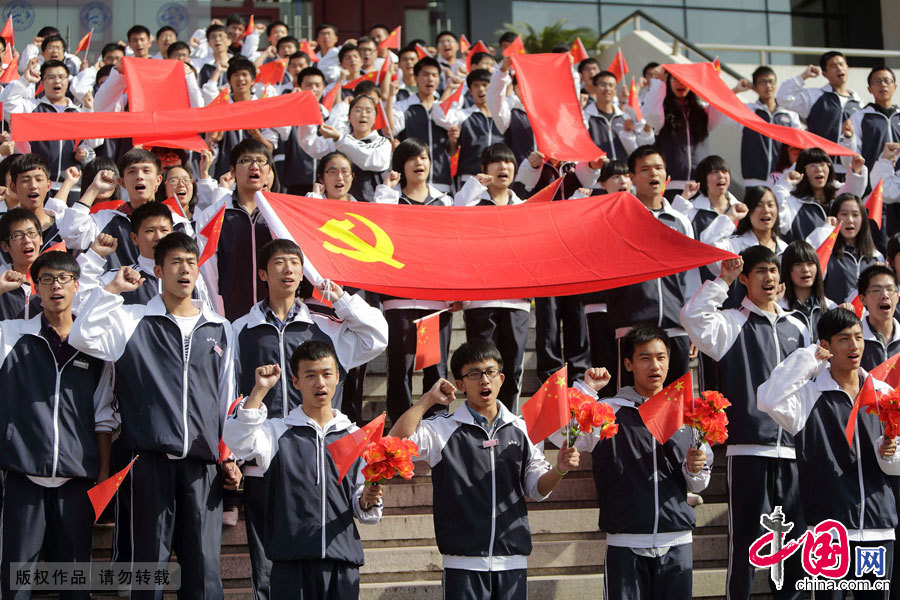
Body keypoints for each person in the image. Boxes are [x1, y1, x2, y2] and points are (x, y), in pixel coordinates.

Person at [69, 232, 237, 599]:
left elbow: (226, 399)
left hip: (202, 465)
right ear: (158, 269)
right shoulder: (131, 320)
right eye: (175, 262)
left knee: (204, 568)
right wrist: (112, 290)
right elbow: (82, 337)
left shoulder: (219, 327)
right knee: (149, 566)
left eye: (191, 263)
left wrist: (230, 456)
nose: (185, 270)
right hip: (147, 462)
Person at [232, 240, 387, 600]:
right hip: (264, 459)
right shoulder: (241, 327)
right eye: (279, 263)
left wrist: (342, 301)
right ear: (262, 273)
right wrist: (230, 454)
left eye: (295, 263)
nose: (288, 270)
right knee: (268, 571)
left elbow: (378, 336)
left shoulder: (326, 325)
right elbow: (230, 392)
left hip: (321, 455)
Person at [389, 339, 579, 599]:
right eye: (474, 374)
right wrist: (427, 400)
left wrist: (559, 469)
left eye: (490, 373)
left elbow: (536, 488)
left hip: (512, 561)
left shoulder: (523, 428)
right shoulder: (443, 428)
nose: (484, 381)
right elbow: (394, 444)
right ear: (459, 384)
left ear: (501, 378)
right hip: (462, 564)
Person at [682, 246, 810, 600]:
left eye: (773, 270)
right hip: (750, 448)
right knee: (746, 546)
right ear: (744, 279)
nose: (769, 278)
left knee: (793, 546)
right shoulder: (730, 323)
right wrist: (721, 281)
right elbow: (693, 317)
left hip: (792, 452)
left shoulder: (798, 327)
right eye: (760, 272)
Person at [554, 326, 711, 599]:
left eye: (661, 358)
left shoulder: (687, 414)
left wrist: (694, 468)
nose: (655, 366)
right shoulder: (608, 411)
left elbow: (700, 482)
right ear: (628, 363)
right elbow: (562, 435)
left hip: (677, 541)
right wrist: (586, 390)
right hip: (624, 543)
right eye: (645, 358)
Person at [759, 308, 900, 599]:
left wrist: (888, 453)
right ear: (826, 346)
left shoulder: (883, 394)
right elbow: (769, 398)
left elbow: (896, 464)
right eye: (844, 339)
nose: (854, 346)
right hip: (829, 533)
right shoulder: (809, 396)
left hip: (877, 529)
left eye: (859, 338)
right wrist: (809, 357)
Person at [223, 341, 383, 599]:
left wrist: (368, 500)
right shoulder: (277, 432)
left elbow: (362, 505)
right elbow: (237, 440)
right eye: (310, 375)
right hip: (290, 566)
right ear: (295, 382)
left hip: (342, 564)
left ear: (337, 378)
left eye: (326, 374)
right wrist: (259, 391)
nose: (320, 383)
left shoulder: (356, 437)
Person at [0, 251, 117, 600]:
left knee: (73, 579)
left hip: (76, 477)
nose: (56, 286)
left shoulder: (95, 346)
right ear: (36, 288)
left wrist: (103, 472)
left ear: (76, 286)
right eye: (47, 279)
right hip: (23, 474)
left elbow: (103, 414)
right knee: (17, 578)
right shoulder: (12, 335)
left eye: (63, 279)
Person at [605, 146, 695, 389]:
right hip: (633, 325)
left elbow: (690, 276)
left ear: (667, 175)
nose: (653, 174)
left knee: (677, 404)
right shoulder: (618, 218)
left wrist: (692, 323)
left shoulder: (680, 221)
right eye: (645, 169)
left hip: (675, 327)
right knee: (633, 403)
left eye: (658, 168)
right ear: (632, 178)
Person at [455, 144, 531, 411]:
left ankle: (509, 419)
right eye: (497, 162)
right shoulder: (474, 203)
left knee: (511, 366)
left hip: (516, 300)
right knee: (481, 366)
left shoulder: (523, 208)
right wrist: (475, 185)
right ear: (485, 169)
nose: (503, 167)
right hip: (480, 300)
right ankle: (480, 418)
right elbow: (455, 212)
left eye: (508, 162)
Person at [195, 139, 275, 321]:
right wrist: (217, 317)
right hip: (230, 316)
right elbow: (207, 274)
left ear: (269, 171)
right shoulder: (213, 216)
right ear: (232, 171)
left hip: (274, 318)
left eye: (261, 161)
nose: (254, 166)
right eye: (246, 161)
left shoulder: (279, 215)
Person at [299, 93, 392, 203]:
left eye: (368, 111)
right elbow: (310, 145)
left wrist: (339, 138)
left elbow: (370, 159)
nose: (363, 115)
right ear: (349, 117)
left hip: (368, 208)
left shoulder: (382, 143)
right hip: (340, 207)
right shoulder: (339, 140)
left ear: (375, 117)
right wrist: (310, 114)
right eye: (358, 110)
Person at [643, 72, 721, 195]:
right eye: (675, 79)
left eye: (685, 80)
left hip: (701, 187)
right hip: (671, 186)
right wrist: (659, 81)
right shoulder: (662, 111)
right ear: (668, 82)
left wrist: (715, 79)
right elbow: (650, 114)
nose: (680, 83)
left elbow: (719, 103)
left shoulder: (702, 111)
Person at [774, 147, 867, 243]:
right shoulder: (793, 203)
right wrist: (785, 184)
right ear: (802, 170)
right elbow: (777, 216)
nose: (819, 169)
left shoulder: (837, 196)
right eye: (812, 165)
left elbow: (853, 192)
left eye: (823, 164)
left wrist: (856, 170)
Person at [393, 57, 454, 192]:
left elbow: (451, 149)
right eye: (425, 74)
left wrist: (453, 140)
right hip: (411, 182)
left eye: (434, 75)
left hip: (440, 179)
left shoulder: (446, 110)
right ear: (415, 77)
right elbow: (390, 130)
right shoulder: (403, 106)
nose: (430, 79)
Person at [776, 51, 862, 146]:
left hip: (850, 159)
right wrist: (803, 76)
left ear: (847, 67)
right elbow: (783, 98)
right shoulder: (815, 96)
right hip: (820, 158)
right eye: (833, 66)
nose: (839, 68)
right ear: (824, 73)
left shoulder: (857, 103)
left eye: (841, 64)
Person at [432, 69, 502, 186]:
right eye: (476, 86)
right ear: (470, 91)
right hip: (470, 176)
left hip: (498, 178)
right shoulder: (464, 115)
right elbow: (440, 115)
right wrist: (449, 89)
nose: (481, 89)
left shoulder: (501, 116)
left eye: (485, 85)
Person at [738, 66, 802, 187]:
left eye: (771, 81)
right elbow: (723, 109)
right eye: (762, 82)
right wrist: (736, 90)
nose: (768, 86)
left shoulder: (790, 114)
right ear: (755, 87)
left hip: (782, 178)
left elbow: (798, 144)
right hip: (755, 179)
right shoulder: (748, 111)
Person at [823, 193, 883, 303]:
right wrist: (825, 231)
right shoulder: (828, 254)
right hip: (837, 317)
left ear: (863, 219)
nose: (850, 220)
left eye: (855, 215)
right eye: (844, 214)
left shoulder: (876, 257)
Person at [583, 69, 653, 162]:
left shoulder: (625, 117)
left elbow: (638, 148)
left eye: (611, 86)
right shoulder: (585, 117)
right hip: (598, 172)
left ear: (616, 90)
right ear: (594, 88)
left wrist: (628, 134)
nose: (607, 89)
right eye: (602, 85)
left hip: (623, 172)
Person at [779, 240, 835, 335]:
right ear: (787, 269)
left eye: (810, 264)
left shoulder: (831, 308)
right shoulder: (779, 308)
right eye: (798, 264)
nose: (805, 270)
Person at [0, 209, 47, 320]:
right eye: (17, 235)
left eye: (31, 233)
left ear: (41, 239)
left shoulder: (54, 278)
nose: (27, 240)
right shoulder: (1, 277)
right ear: (5, 246)